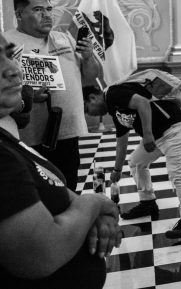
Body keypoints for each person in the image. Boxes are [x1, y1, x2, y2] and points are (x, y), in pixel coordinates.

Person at [0, 32, 121, 288]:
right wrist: (93, 203)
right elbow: (40, 252)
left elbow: (49, 187)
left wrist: (86, 214)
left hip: (65, 132)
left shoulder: (63, 39)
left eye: (9, 56)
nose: (12, 70)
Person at [4, 0, 100, 192]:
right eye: (38, 10)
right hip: (29, 136)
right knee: (39, 194)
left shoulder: (64, 38)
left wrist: (89, 56)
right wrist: (28, 97)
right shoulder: (7, 44)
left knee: (69, 189)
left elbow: (90, 76)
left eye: (49, 9)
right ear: (19, 14)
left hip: (66, 132)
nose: (47, 15)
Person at [83, 77, 181, 240]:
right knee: (136, 162)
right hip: (160, 135)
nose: (90, 114)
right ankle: (148, 203)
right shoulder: (114, 108)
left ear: (92, 98)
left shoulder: (113, 93)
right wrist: (117, 169)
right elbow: (121, 140)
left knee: (177, 172)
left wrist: (147, 135)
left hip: (174, 128)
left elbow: (143, 103)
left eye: (87, 108)